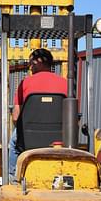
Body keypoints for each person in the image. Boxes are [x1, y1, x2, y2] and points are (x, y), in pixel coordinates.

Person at [9, 48, 67, 181]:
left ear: (39, 62)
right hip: (60, 139)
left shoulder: (25, 83)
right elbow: (72, 116)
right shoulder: (65, 83)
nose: (30, 67)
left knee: (12, 144)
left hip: (29, 140)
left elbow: (16, 117)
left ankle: (12, 178)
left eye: (31, 63)